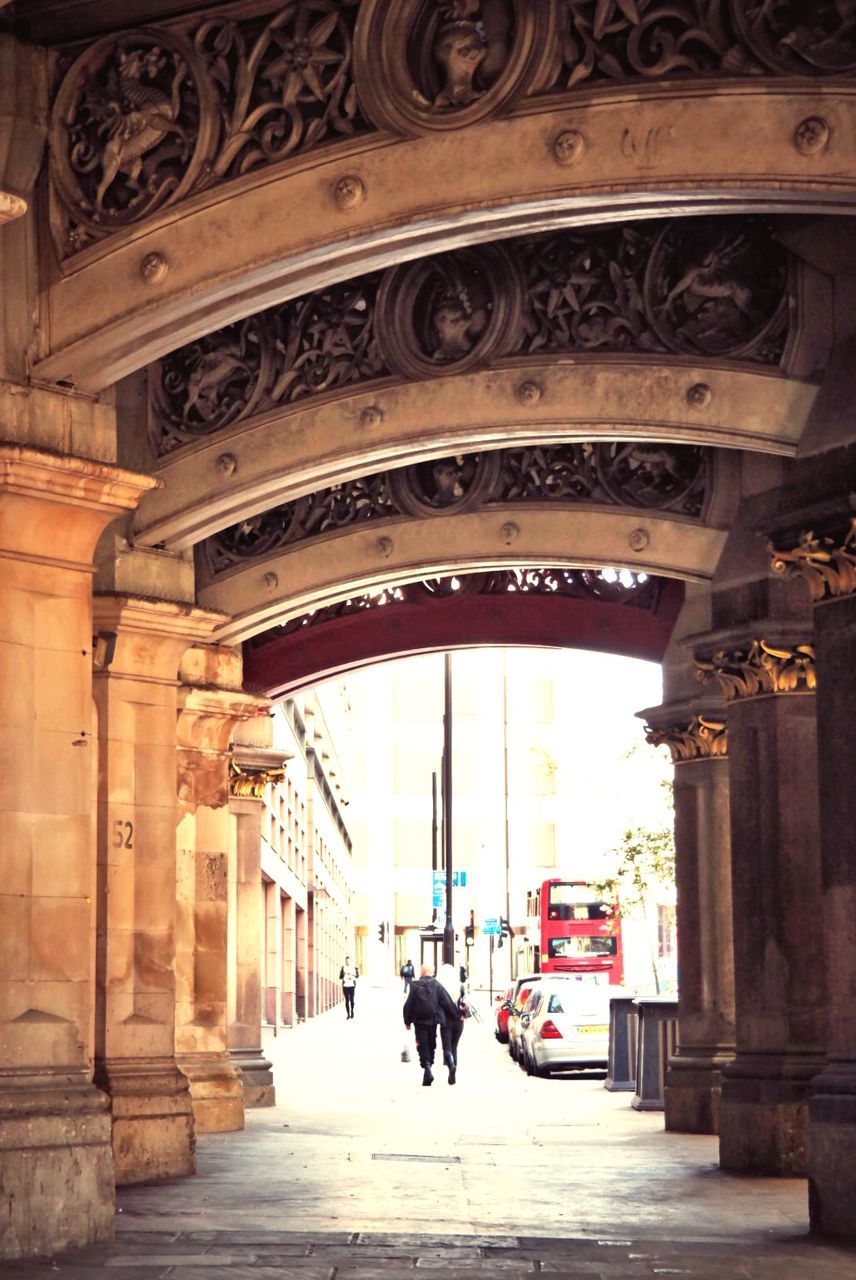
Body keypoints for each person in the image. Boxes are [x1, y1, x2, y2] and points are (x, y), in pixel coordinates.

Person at [403, 962, 460, 1086]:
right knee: (431, 1045)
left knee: (421, 1046)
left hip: (419, 1022)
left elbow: (408, 1005)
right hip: (432, 1021)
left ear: (421, 972)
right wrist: (457, 1015)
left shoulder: (414, 985)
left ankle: (427, 1067)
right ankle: (430, 1064)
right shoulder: (436, 985)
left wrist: (407, 1021)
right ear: (432, 972)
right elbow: (447, 1002)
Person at [438, 962, 467, 1085]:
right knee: (455, 1046)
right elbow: (466, 1001)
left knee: (447, 1047)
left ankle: (450, 1066)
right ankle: (453, 1068)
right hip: (459, 1020)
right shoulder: (460, 986)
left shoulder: (440, 987)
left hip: (446, 1020)